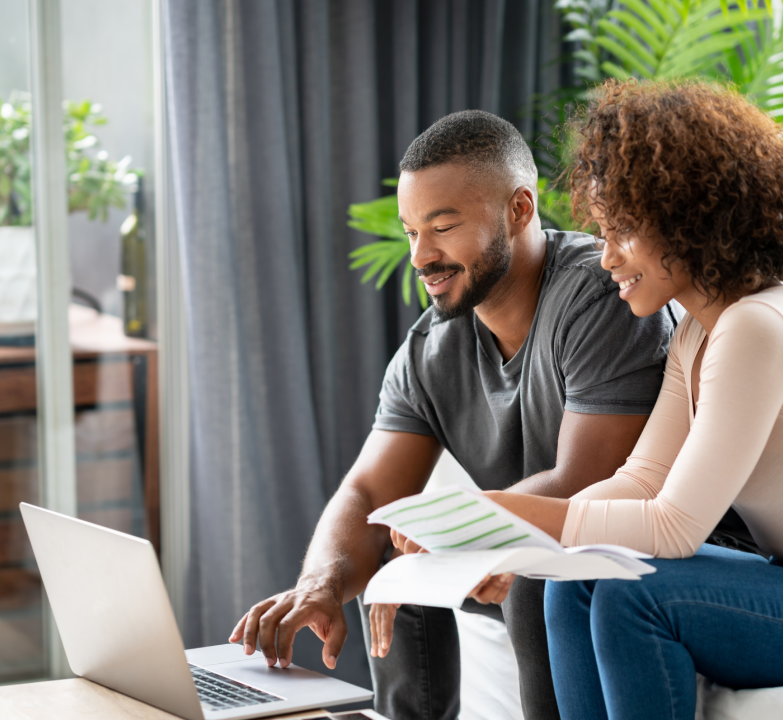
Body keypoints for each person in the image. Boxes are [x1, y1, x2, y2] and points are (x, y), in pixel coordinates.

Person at [229, 110, 755, 720]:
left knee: (533, 573)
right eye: (410, 232)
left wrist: (465, 535)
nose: (421, 256)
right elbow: (369, 491)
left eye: (443, 227)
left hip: (653, 550)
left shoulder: (601, 296)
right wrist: (320, 583)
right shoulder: (430, 349)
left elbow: (589, 483)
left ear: (519, 209)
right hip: (535, 541)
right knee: (397, 567)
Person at [475, 79, 783, 720]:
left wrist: (505, 516)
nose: (606, 258)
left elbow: (674, 528)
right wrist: (526, 538)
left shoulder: (757, 327)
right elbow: (640, 481)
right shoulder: (698, 331)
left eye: (622, 230)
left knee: (633, 595)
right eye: (602, 232)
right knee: (574, 577)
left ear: (687, 217)